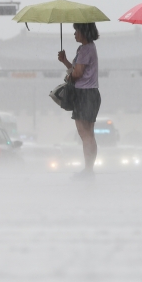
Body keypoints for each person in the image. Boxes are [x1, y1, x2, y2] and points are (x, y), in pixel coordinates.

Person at [57, 23, 101, 177]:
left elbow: (77, 74)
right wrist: (66, 62)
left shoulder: (84, 49)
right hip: (92, 93)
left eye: (76, 30)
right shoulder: (90, 48)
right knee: (90, 133)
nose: (75, 34)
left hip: (83, 95)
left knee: (85, 134)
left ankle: (88, 170)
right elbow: (77, 70)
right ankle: (89, 168)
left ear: (84, 32)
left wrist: (69, 76)